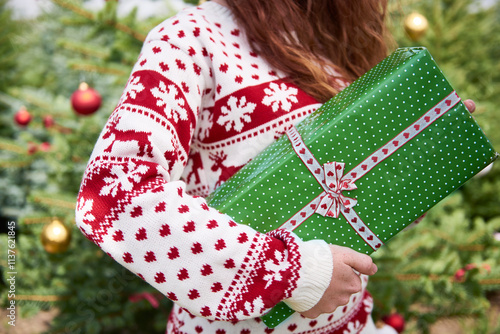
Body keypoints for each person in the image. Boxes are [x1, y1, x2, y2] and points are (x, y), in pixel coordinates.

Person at [75, 0, 476, 333]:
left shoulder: (329, 42)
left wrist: (417, 164)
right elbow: (114, 191)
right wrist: (292, 272)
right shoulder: (188, 39)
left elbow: (338, 195)